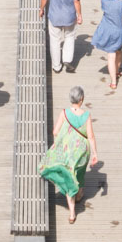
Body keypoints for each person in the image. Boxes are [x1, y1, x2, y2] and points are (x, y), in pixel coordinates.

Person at [38, 85, 97, 224]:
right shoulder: (87, 115)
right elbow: (91, 136)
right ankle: (79, 195)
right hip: (82, 152)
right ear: (81, 99)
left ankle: (72, 213)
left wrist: (66, 138)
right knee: (79, 173)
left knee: (69, 176)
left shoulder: (64, 113)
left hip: (67, 152)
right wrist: (95, 153)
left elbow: (55, 132)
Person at [39, 0, 83, 73]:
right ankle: (67, 59)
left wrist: (41, 9)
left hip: (54, 16)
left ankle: (56, 66)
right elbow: (76, 1)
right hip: (69, 16)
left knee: (55, 40)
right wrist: (79, 15)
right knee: (69, 37)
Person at [91, 0, 122, 91]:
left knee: (111, 56)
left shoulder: (103, 2)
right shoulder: (121, 4)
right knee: (118, 52)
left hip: (108, 32)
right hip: (120, 33)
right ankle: (117, 71)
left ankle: (113, 82)